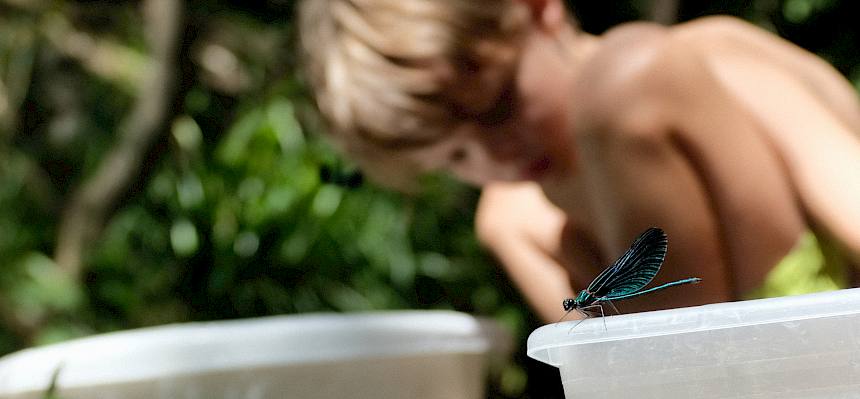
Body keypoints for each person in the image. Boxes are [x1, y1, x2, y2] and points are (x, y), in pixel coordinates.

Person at [297, 0, 860, 322]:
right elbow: (615, 379)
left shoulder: (696, 61)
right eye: (456, 156)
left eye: (501, 106)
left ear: (541, 10)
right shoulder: (519, 222)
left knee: (622, 85)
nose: (498, 156)